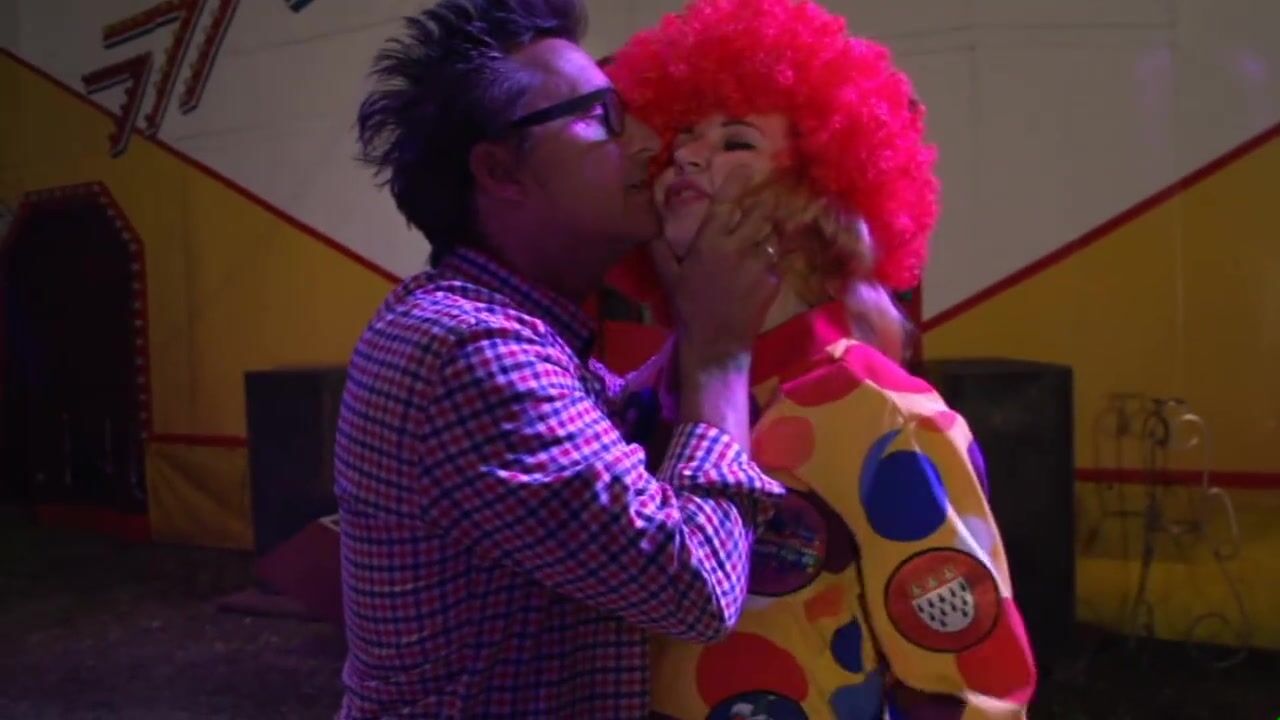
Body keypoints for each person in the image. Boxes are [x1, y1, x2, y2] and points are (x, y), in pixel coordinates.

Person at [335, 0, 792, 717]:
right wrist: (717, 355)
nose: (648, 144)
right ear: (500, 171)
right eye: (601, 118)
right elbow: (697, 587)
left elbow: (627, 439)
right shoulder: (468, 349)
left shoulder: (523, 334)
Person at [606, 0, 1038, 717]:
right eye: (682, 135)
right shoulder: (641, 396)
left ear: (816, 200)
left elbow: (970, 689)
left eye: (736, 141)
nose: (685, 155)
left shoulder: (886, 417)